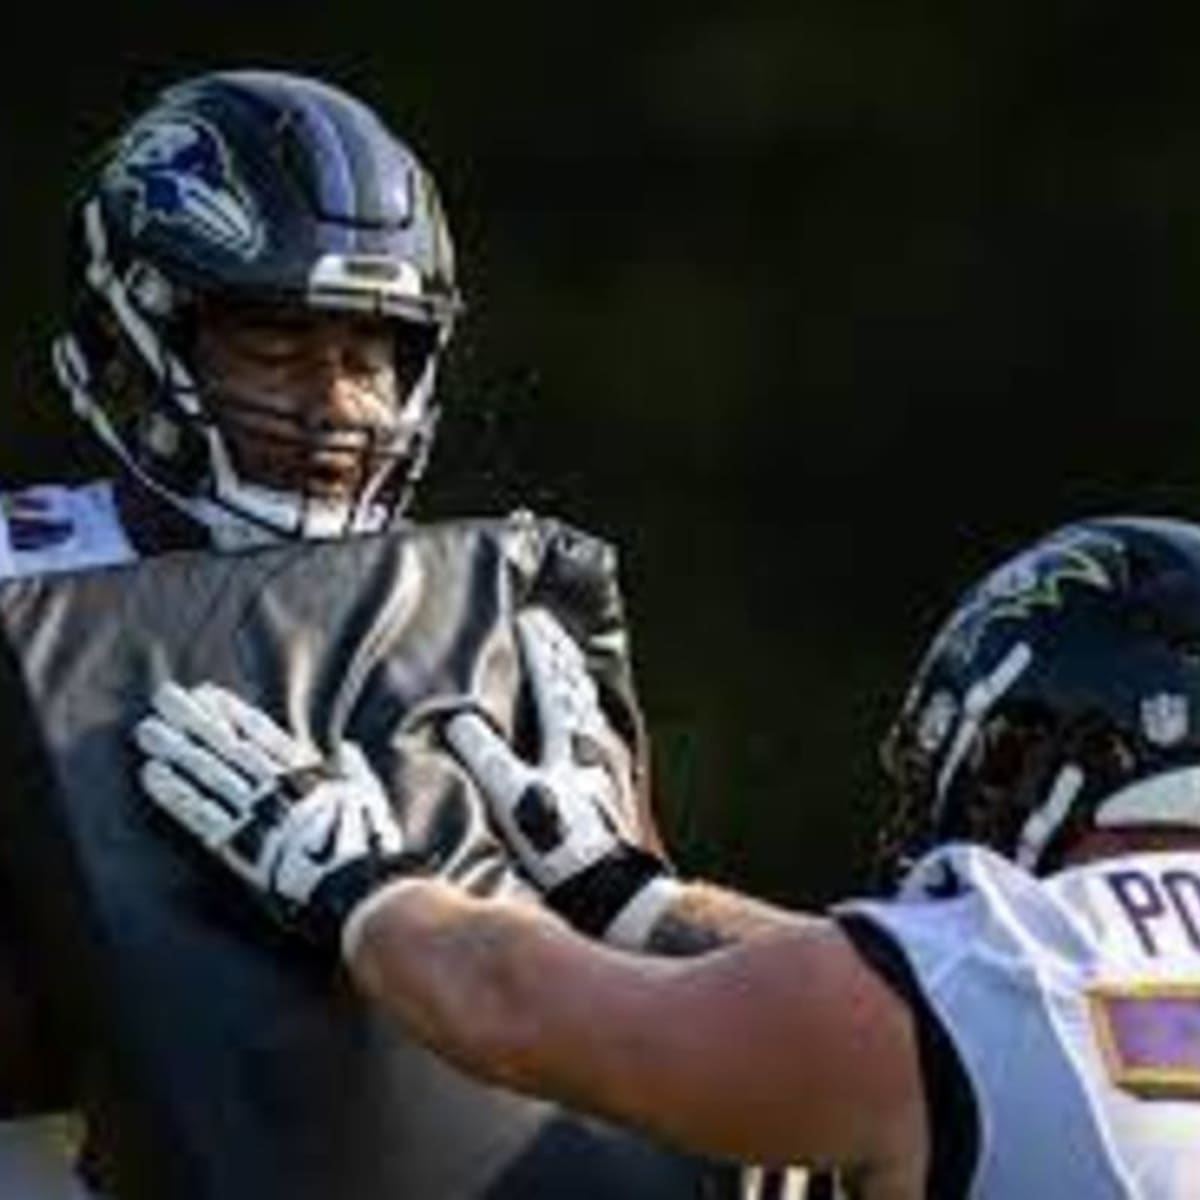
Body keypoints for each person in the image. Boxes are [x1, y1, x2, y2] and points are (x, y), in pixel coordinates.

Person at [3, 68, 685, 1198]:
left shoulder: (476, 617)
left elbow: (647, 991)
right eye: (277, 346)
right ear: (131, 334)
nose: (335, 406)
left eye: (370, 355)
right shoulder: (25, 582)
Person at [136, 515, 1200, 1197]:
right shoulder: (993, 995)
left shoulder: (986, 978)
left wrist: (362, 885)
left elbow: (511, 1003)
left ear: (1037, 754)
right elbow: (948, 1018)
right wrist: (634, 899)